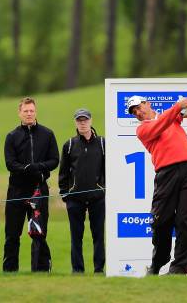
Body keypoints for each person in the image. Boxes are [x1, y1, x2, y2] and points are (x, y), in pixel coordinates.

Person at [128, 95, 187, 275]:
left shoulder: (171, 118)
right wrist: (178, 106)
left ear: (148, 103)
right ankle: (157, 263)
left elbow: (177, 117)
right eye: (134, 112)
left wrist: (185, 108)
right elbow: (161, 123)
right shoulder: (143, 129)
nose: (138, 113)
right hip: (166, 175)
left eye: (139, 107)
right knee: (161, 222)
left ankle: (178, 269)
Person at [3, 97, 59, 272]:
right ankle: (10, 271)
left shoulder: (47, 134)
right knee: (12, 234)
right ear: (20, 113)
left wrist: (37, 168)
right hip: (17, 190)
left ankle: (41, 270)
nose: (29, 114)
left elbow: (54, 160)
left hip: (39, 189)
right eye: (25, 111)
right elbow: (10, 163)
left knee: (39, 232)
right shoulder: (12, 136)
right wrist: (27, 168)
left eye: (31, 111)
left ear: (36, 112)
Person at [59, 108, 105, 274]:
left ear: (91, 121)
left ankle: (99, 269)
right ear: (76, 123)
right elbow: (63, 172)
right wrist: (65, 195)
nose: (83, 123)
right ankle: (77, 270)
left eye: (85, 120)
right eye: (79, 120)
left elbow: (108, 170)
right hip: (75, 199)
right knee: (76, 237)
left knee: (98, 236)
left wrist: (104, 189)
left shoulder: (102, 143)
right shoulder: (69, 144)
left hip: (98, 198)